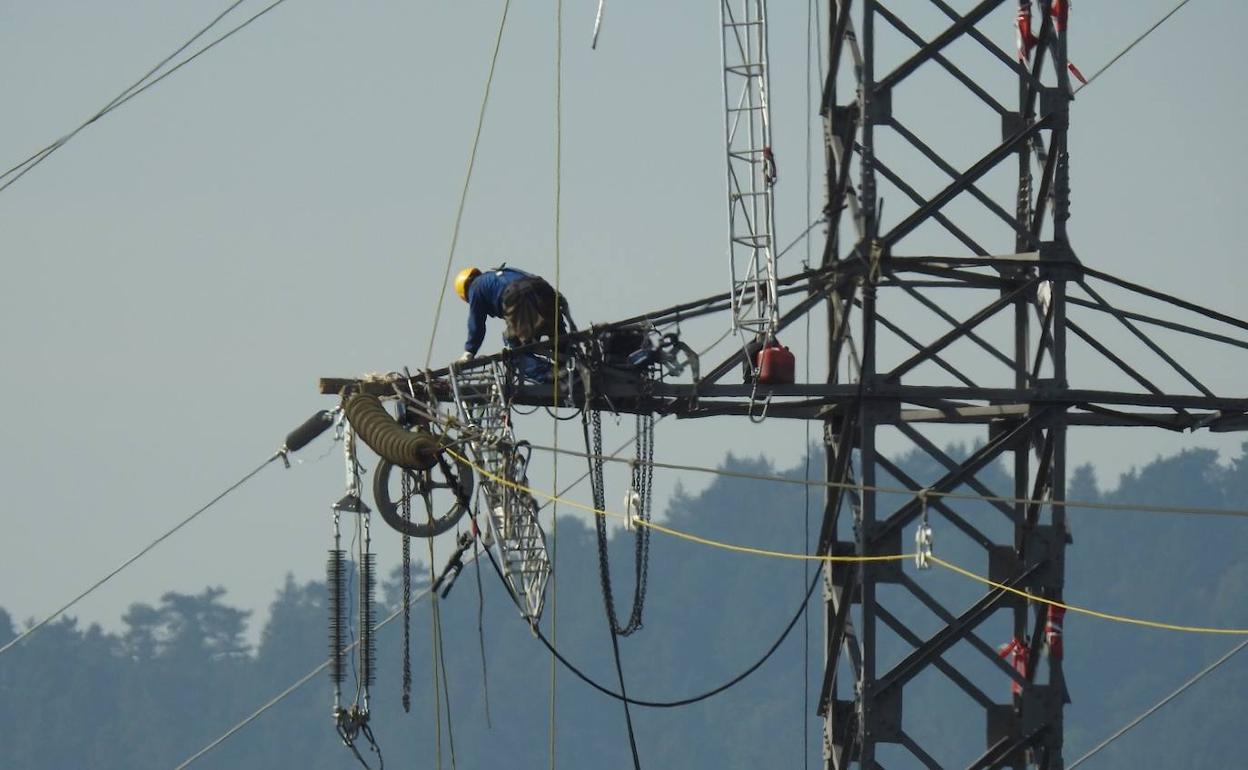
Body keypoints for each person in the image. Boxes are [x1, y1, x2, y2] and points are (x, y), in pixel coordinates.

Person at [453, 265, 572, 381]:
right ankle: (571, 365)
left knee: (514, 349)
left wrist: (469, 351)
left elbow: (476, 322)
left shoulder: (475, 287)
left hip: (518, 296)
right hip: (544, 290)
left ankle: (549, 373)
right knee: (555, 332)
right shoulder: (502, 273)